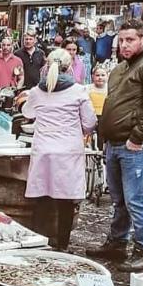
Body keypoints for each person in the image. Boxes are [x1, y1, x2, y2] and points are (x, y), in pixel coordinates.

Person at [86, 19, 143, 271]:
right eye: (121, 40)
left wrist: (137, 138)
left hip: (138, 145)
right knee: (119, 199)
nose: (124, 44)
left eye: (130, 40)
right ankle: (117, 243)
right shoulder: (121, 68)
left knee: (136, 199)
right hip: (116, 143)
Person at [22, 50, 97, 250]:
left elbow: (27, 112)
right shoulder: (79, 91)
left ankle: (38, 243)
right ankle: (62, 245)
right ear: (69, 66)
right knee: (65, 202)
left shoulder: (37, 91)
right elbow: (90, 122)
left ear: (47, 66)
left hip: (43, 150)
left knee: (42, 198)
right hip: (68, 152)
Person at [88, 65, 108, 149]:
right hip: (91, 117)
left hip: (105, 118)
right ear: (92, 76)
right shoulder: (87, 89)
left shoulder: (110, 89)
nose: (100, 78)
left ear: (107, 76)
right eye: (97, 75)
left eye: (103, 75)